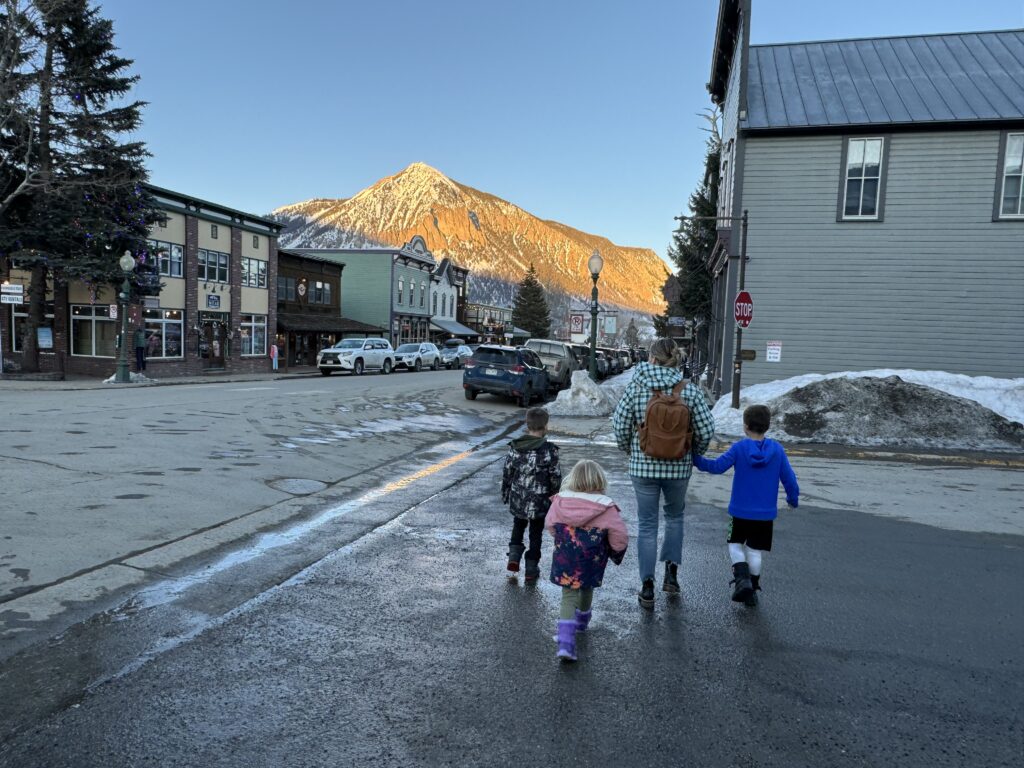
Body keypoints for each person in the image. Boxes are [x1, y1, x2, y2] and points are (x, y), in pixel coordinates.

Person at [611, 337, 715, 609]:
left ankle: (647, 586)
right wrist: (693, 452)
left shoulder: (636, 386)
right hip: (679, 467)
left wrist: (630, 449)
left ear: (653, 359)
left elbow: (620, 425)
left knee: (646, 525)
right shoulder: (689, 391)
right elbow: (706, 430)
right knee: (675, 517)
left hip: (643, 466)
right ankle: (671, 574)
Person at [692, 404, 799, 606]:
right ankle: (753, 588)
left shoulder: (739, 448)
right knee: (754, 550)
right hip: (765, 515)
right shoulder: (777, 450)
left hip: (740, 511)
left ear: (745, 426)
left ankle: (742, 580)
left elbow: (716, 467)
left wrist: (695, 459)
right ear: (767, 426)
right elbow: (789, 479)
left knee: (735, 545)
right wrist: (792, 500)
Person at [546, 460, 628, 662]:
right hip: (592, 558)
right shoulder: (606, 506)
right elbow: (619, 535)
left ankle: (566, 641)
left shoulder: (560, 501)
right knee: (586, 587)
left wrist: (560, 537)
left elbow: (550, 524)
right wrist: (617, 551)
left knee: (568, 594)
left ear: (572, 479)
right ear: (600, 480)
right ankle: (582, 621)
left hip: (566, 555)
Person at [501, 407, 561, 582]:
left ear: (527, 426)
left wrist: (506, 493)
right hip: (540, 502)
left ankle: (513, 558)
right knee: (536, 533)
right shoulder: (550, 451)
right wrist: (555, 497)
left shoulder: (515, 447)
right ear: (545, 426)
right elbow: (555, 477)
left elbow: (507, 473)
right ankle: (531, 569)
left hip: (519, 498)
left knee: (518, 526)